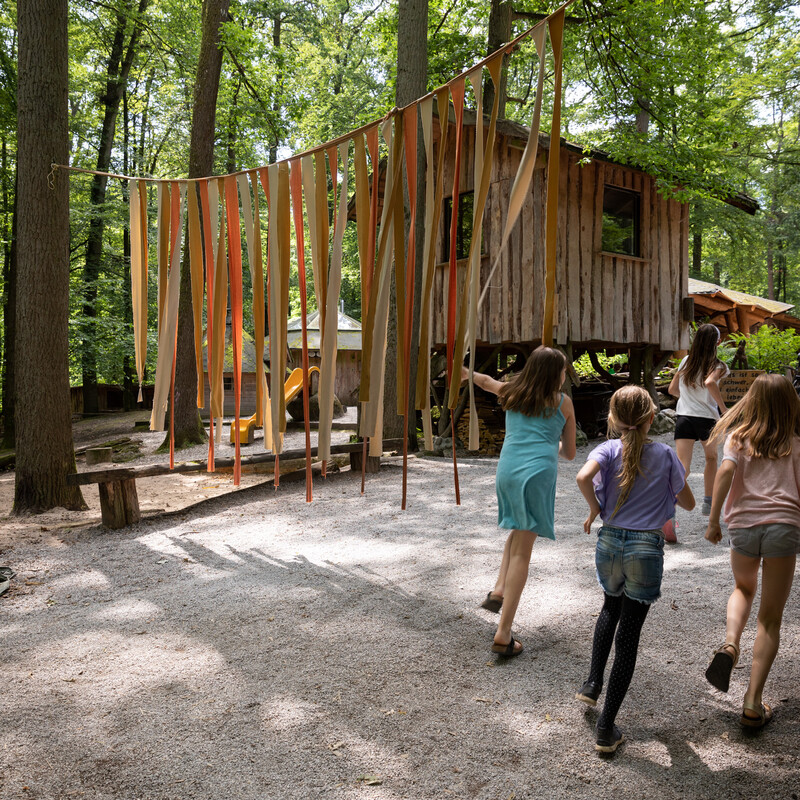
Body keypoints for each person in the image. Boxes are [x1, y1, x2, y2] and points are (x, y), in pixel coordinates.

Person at [576, 385, 694, 753]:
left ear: (613, 418)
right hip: (645, 548)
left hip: (609, 542)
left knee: (609, 606)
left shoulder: (607, 449)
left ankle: (592, 685)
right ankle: (606, 728)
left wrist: (595, 509)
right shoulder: (664, 454)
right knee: (629, 636)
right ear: (649, 419)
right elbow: (687, 503)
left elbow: (582, 478)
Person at [464, 346, 576, 657]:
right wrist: (545, 447)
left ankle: (499, 591)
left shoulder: (513, 392)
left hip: (507, 471)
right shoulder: (563, 403)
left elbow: (486, 382)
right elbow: (569, 453)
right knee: (523, 553)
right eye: (564, 370)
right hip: (536, 475)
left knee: (517, 529)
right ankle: (504, 632)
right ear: (556, 375)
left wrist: (464, 374)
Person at [703, 373, 800, 729]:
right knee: (770, 619)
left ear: (752, 401)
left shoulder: (737, 439)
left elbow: (725, 473)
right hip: (783, 529)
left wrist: (713, 520)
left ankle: (730, 644)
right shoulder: (795, 444)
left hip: (743, 527)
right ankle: (753, 703)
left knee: (743, 589)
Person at [668, 324, 729, 534]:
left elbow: (672, 389)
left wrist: (688, 398)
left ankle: (668, 509)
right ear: (717, 342)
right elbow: (711, 382)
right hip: (706, 418)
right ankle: (708, 503)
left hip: (684, 416)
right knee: (711, 458)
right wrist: (723, 409)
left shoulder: (686, 361)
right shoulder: (718, 365)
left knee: (683, 466)